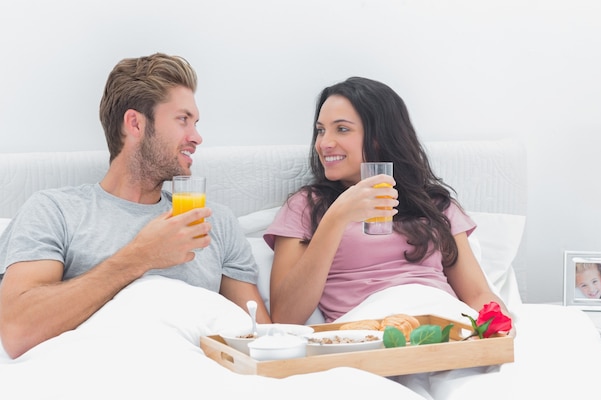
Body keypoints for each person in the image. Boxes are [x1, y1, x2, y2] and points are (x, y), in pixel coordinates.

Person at [0, 53, 270, 359]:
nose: (197, 137)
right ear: (135, 123)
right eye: (183, 120)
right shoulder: (54, 211)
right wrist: (140, 256)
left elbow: (261, 341)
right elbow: (18, 331)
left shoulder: (212, 221)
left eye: (195, 123)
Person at [264, 76, 513, 327]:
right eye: (320, 130)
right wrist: (337, 216)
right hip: (371, 332)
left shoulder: (434, 204)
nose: (324, 143)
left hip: (442, 324)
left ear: (380, 137)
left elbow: (478, 295)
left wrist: (500, 331)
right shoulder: (306, 206)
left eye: (342, 129)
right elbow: (285, 317)